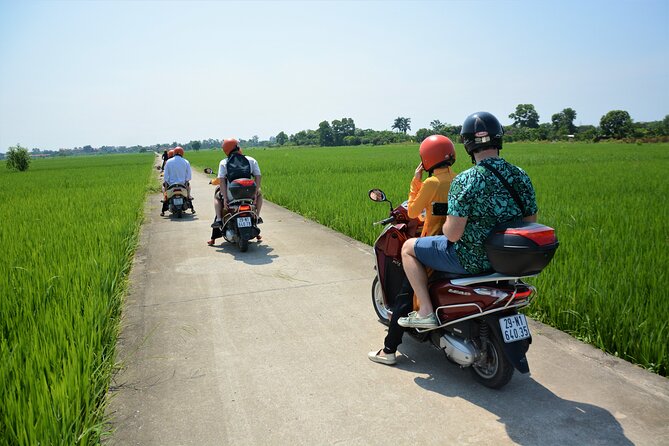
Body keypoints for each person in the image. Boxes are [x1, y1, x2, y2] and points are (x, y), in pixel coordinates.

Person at [398, 111, 538, 329]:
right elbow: (529, 223)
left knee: (408, 248)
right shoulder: (521, 175)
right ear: (498, 139)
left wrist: (446, 222)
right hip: (509, 260)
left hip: (471, 260)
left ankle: (425, 310)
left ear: (468, 145)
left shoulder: (466, 180)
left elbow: (453, 234)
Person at [368, 135, 456, 365]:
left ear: (427, 159)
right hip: (454, 243)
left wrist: (415, 182)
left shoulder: (432, 183)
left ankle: (388, 351)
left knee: (404, 295)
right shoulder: (458, 180)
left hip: (430, 244)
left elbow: (414, 212)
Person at [207, 138, 263, 245]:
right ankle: (257, 216)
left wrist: (225, 199)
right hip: (249, 194)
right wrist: (255, 194)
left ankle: (219, 219)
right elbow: (258, 176)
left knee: (216, 195)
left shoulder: (224, 162)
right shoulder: (251, 160)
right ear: (237, 147)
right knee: (260, 194)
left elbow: (222, 181)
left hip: (231, 195)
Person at [161, 146, 193, 216]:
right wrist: (186, 181)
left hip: (171, 185)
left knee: (163, 187)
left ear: (174, 153)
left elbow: (166, 176)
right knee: (189, 185)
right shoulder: (186, 161)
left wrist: (166, 184)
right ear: (182, 153)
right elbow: (189, 177)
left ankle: (165, 197)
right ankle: (189, 196)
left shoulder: (168, 162)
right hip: (183, 185)